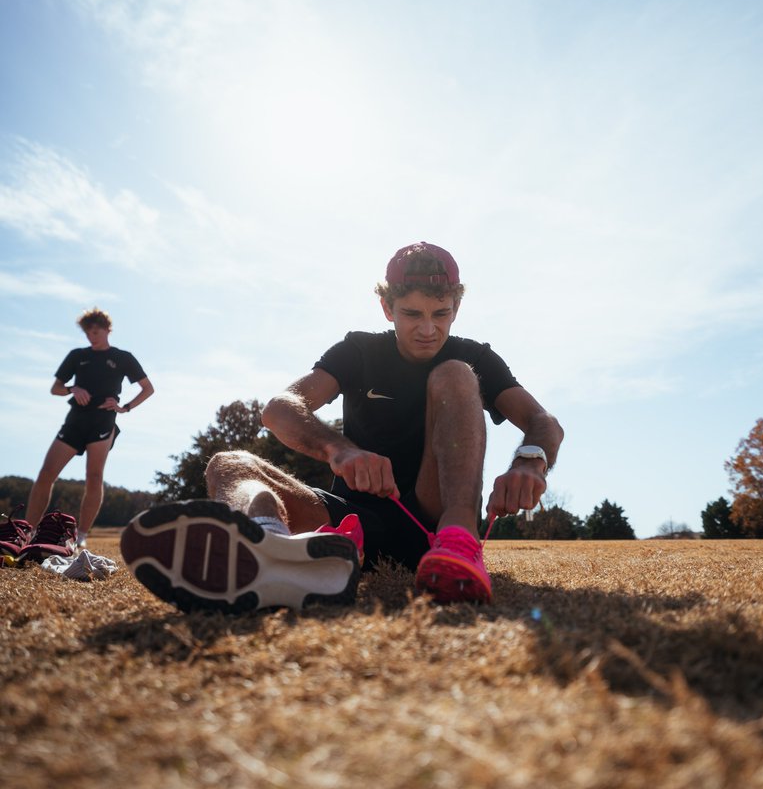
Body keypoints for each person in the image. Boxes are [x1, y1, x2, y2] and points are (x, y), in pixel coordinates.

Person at [121, 243, 563, 613]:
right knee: (229, 464)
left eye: (441, 314)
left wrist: (531, 461)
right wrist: (341, 450)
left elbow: (543, 422)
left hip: (432, 519)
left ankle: (459, 540)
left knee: (455, 373)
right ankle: (270, 546)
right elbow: (280, 409)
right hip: (352, 527)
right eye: (412, 314)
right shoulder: (359, 350)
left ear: (457, 307)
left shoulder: (474, 355)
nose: (428, 329)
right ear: (386, 306)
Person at [25, 308, 154, 555]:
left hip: (103, 421)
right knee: (46, 472)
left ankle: (81, 537)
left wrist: (125, 407)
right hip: (75, 420)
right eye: (87, 332)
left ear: (107, 330)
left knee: (94, 477)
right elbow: (56, 388)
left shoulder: (123, 357)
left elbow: (147, 388)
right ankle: (28, 531)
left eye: (95, 331)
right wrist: (73, 389)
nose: (91, 337)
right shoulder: (77, 355)